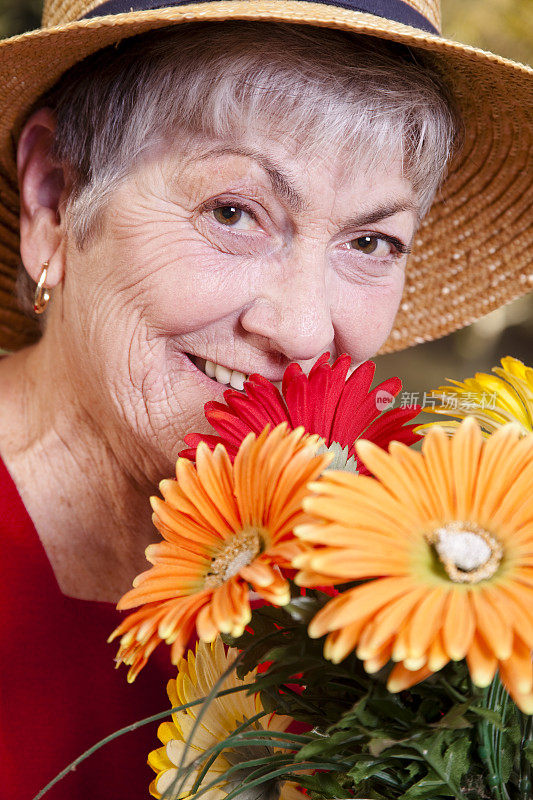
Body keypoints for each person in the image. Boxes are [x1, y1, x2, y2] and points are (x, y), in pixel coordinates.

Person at [0, 1, 530, 798]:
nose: (306, 330)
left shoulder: (423, 582)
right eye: (233, 212)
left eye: (370, 242)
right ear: (56, 198)